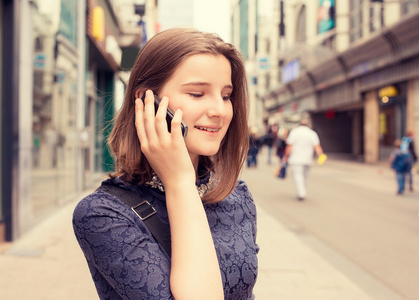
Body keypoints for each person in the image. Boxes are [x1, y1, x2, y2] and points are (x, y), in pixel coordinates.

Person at [72, 28, 258, 300]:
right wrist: (180, 182)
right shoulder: (103, 214)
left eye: (226, 95)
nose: (219, 110)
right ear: (147, 102)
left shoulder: (236, 196)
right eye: (197, 94)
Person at [281, 119, 324, 200]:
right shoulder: (312, 133)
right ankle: (302, 191)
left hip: (296, 159)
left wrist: (285, 157)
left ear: (299, 124)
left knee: (298, 176)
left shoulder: (294, 132)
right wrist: (321, 156)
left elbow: (289, 146)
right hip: (307, 159)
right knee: (305, 176)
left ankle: (301, 193)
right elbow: (317, 146)